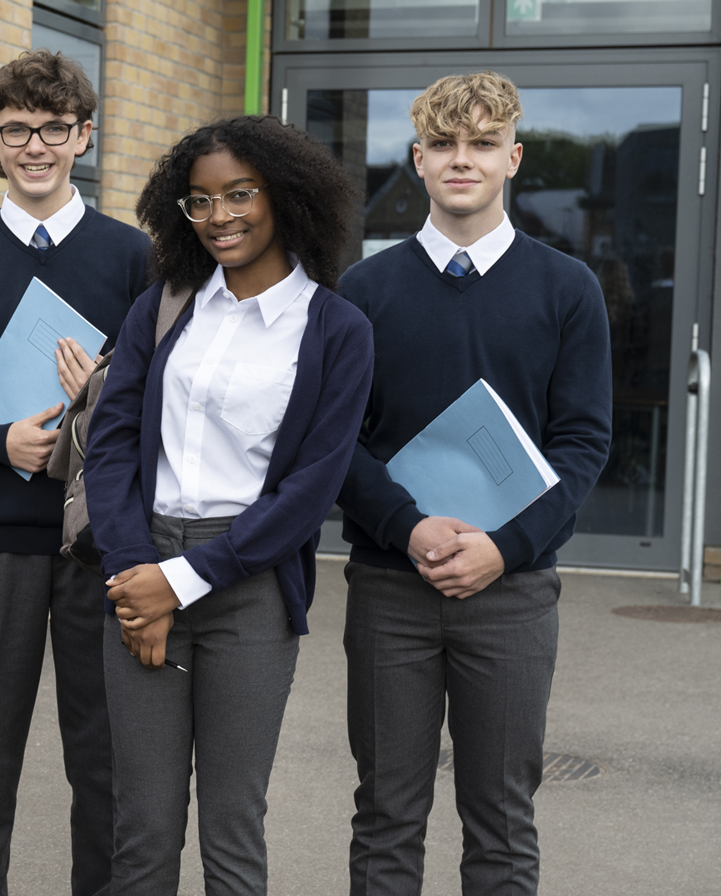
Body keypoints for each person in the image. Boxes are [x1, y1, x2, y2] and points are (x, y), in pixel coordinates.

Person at [336, 71, 612, 895]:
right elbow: (335, 442)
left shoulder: (567, 289)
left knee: (499, 818)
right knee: (385, 815)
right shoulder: (362, 291)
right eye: (445, 145)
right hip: (391, 589)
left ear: (512, 158)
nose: (463, 160)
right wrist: (407, 528)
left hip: (513, 592)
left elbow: (583, 442)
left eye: (482, 143)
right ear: (417, 160)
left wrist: (504, 547)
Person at [84, 116, 374, 895]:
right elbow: (110, 445)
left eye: (239, 194)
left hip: (248, 588)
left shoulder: (335, 330)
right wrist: (133, 573)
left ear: (283, 196)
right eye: (199, 201)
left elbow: (308, 490)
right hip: (138, 570)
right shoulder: (163, 306)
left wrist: (178, 584)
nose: (220, 217)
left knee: (231, 826)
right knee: (140, 826)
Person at [0, 49, 152, 896]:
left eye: (54, 129)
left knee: (104, 752)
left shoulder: (132, 257)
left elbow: (161, 404)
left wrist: (101, 396)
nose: (36, 146)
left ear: (82, 136)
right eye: (17, 130)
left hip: (99, 540)